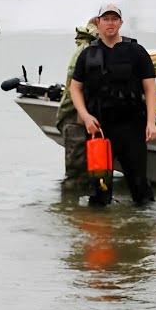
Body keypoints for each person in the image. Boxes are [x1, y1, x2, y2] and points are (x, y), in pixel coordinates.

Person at [69, 3, 156, 206]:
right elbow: (75, 88)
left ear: (120, 22)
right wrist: (85, 117)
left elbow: (150, 88)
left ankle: (141, 233)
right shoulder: (87, 54)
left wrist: (151, 122)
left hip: (132, 127)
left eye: (114, 19)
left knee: (140, 188)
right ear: (98, 23)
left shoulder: (136, 51)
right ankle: (101, 233)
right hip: (99, 130)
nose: (110, 23)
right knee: (100, 189)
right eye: (106, 19)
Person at [55, 17, 99, 190]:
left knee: (92, 173)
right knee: (76, 175)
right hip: (75, 118)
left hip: (85, 117)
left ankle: (78, 213)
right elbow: (75, 88)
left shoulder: (92, 49)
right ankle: (71, 211)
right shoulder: (86, 51)